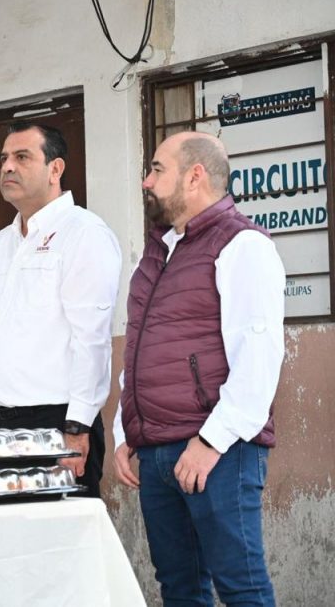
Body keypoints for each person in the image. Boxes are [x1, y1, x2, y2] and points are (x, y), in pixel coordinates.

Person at [113, 131, 284, 606]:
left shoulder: (242, 244)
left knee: (241, 588)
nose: (146, 181)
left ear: (194, 176)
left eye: (156, 170)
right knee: (180, 591)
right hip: (157, 453)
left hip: (218, 453)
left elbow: (259, 355)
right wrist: (125, 430)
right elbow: (140, 349)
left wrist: (211, 442)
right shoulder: (158, 252)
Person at [0, 122, 121, 497]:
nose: (7, 166)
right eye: (4, 158)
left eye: (22, 157)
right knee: (0, 532)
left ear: (56, 169)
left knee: (61, 532)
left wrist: (77, 426)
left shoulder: (84, 233)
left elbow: (91, 338)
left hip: (55, 425)